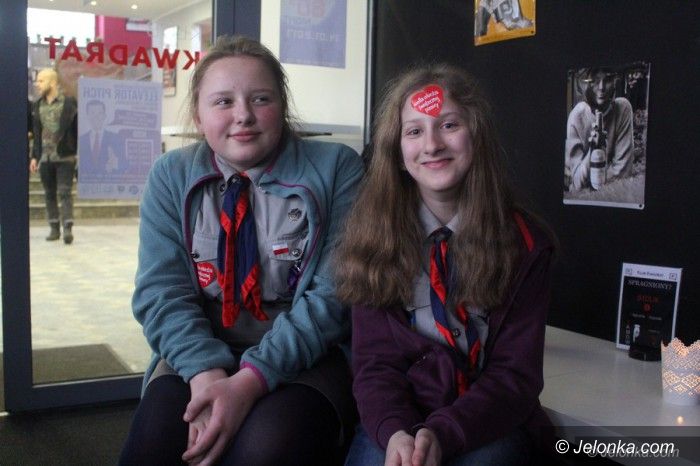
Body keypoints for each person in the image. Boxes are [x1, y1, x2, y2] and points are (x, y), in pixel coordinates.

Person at [119, 35, 363, 466]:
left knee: (264, 449)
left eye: (260, 98)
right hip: (198, 344)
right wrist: (206, 375)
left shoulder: (338, 167)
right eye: (223, 102)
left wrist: (249, 382)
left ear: (282, 106)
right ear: (198, 115)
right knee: (155, 441)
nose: (243, 115)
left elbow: (334, 297)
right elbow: (161, 292)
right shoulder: (170, 175)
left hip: (307, 351)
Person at [336, 64, 555, 466]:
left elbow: (515, 376)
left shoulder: (526, 246)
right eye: (414, 131)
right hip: (396, 418)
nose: (432, 144)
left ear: (476, 136)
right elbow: (375, 365)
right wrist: (396, 432)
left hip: (486, 419)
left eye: (449, 125)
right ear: (397, 152)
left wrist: (443, 432)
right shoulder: (371, 240)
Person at [565, 67, 634, 192]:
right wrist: (593, 149)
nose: (601, 87)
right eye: (595, 80)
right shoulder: (577, 116)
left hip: (611, 192)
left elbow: (623, 172)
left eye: (607, 80)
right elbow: (577, 184)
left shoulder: (623, 109)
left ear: (614, 81)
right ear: (586, 84)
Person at [29, 68, 78, 244]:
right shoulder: (37, 106)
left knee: (65, 192)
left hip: (65, 156)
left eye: (41, 81)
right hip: (45, 157)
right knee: (49, 193)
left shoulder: (69, 103)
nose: (37, 84)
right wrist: (34, 157)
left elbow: (76, 130)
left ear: (52, 82)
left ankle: (68, 228)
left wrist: (77, 153)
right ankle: (54, 227)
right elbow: (37, 133)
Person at [78, 99, 124, 175]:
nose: (96, 117)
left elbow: (125, 163)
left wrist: (115, 163)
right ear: (87, 116)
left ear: (104, 116)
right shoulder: (81, 140)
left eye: (100, 113)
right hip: (87, 181)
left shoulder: (115, 138)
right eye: (92, 113)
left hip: (108, 181)